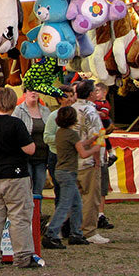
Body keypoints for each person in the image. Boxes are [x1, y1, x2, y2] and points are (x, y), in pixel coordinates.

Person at [0, 87, 37, 269]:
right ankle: (23, 256)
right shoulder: (15, 124)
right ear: (12, 103)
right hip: (15, 175)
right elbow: (30, 149)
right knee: (18, 216)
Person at [42, 106, 100, 249]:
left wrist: (90, 140)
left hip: (61, 171)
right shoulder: (72, 134)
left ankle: (76, 233)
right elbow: (83, 153)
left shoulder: (61, 133)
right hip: (68, 173)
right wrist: (95, 148)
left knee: (76, 204)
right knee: (65, 205)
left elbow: (77, 145)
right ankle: (51, 234)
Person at [72, 79, 109, 244]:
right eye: (94, 90)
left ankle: (71, 228)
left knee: (74, 197)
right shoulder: (91, 111)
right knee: (91, 197)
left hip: (72, 160)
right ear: (90, 93)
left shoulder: (71, 109)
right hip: (88, 160)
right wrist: (98, 158)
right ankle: (89, 230)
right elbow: (97, 136)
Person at [12, 88, 51, 200]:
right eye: (30, 91)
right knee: (26, 188)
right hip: (25, 157)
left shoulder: (45, 111)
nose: (34, 93)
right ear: (25, 94)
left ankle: (38, 215)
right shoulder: (18, 111)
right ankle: (28, 215)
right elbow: (14, 132)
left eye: (36, 91)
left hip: (42, 157)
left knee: (38, 188)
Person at [43, 85, 76, 209]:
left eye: (71, 96)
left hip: (73, 157)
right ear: (59, 99)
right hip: (57, 157)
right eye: (66, 96)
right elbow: (47, 138)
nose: (69, 99)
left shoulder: (77, 114)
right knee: (60, 190)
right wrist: (63, 140)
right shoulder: (54, 116)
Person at [93, 81, 116, 230]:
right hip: (94, 142)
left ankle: (100, 215)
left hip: (100, 135)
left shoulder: (104, 105)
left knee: (104, 140)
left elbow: (106, 125)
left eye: (97, 91)